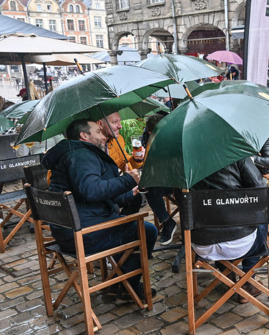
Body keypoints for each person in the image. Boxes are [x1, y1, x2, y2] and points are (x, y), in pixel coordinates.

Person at [42, 119, 158, 301]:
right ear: (84, 135)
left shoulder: (71, 152)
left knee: (128, 225)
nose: (102, 135)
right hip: (82, 234)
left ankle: (120, 281)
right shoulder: (80, 155)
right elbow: (91, 190)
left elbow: (93, 193)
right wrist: (127, 180)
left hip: (69, 230)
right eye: (97, 132)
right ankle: (128, 286)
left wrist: (129, 192)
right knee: (147, 231)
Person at [189, 157, 267, 304]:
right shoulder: (237, 154)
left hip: (203, 246)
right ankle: (247, 283)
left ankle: (227, 275)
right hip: (242, 243)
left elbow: (180, 199)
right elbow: (261, 191)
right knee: (261, 219)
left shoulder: (186, 162)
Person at [97, 112, 145, 216]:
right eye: (115, 122)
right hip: (100, 190)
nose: (120, 126)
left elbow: (124, 162)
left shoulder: (117, 140)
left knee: (136, 198)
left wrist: (137, 159)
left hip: (113, 187)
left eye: (119, 121)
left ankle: (123, 226)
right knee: (112, 207)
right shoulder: (92, 145)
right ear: (100, 124)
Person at [141, 113, 178, 245]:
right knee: (150, 190)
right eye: (150, 132)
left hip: (179, 176)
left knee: (185, 194)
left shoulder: (175, 135)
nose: (152, 134)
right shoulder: (146, 138)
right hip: (161, 177)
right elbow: (147, 162)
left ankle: (190, 227)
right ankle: (167, 222)